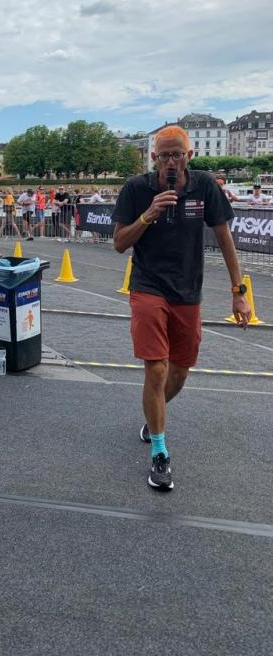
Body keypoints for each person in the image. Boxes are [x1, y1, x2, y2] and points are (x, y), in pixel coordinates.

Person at [112, 125, 251, 492]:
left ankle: (152, 417)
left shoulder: (204, 186)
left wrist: (239, 291)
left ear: (189, 156)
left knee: (180, 371)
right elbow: (119, 243)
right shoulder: (136, 188)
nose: (170, 162)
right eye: (164, 156)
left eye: (177, 155)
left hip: (188, 291)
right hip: (147, 286)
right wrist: (148, 215)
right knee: (156, 368)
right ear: (153, 157)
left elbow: (224, 237)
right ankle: (160, 451)